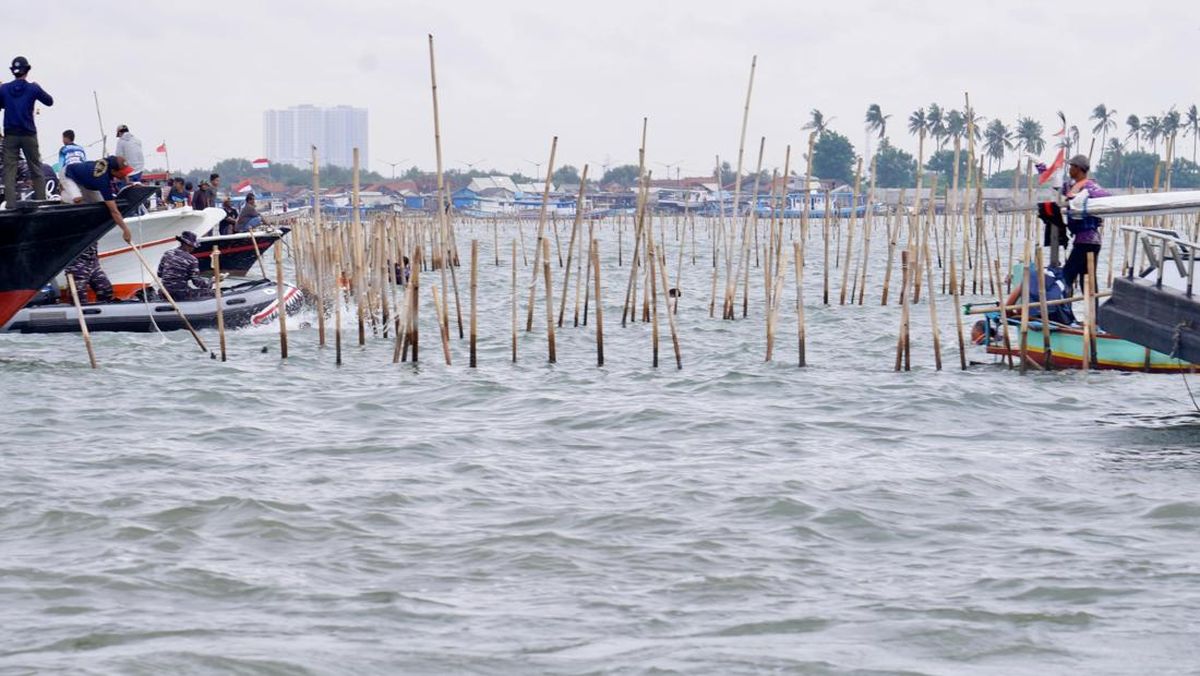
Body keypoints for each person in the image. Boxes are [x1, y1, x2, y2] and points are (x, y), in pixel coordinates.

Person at [1036, 153, 1110, 295]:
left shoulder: (1090, 186)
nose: (1069, 170)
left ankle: (1063, 308)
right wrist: (1041, 166)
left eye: (1071, 167)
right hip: (1082, 240)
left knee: (1069, 275)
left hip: (1088, 240)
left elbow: (1105, 196)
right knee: (1085, 279)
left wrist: (1085, 196)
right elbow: (1055, 184)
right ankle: (1090, 313)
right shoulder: (1072, 186)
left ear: (1078, 168)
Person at [0, 56, 53, 207]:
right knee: (35, 168)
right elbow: (49, 101)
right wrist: (37, 88)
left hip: (10, 135)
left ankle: (10, 205)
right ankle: (41, 203)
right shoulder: (33, 88)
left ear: (13, 71)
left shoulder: (3, 89)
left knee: (9, 171)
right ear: (27, 70)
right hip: (28, 134)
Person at [61, 155, 135, 243]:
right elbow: (114, 211)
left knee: (100, 203)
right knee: (78, 199)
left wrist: (127, 181)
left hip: (86, 180)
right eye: (122, 173)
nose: (124, 175)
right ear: (113, 171)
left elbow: (121, 172)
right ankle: (65, 197)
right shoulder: (102, 181)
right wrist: (125, 230)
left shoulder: (111, 162)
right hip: (68, 174)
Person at [157, 231, 212, 300]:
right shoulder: (192, 260)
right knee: (211, 293)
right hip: (180, 293)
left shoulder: (167, 254)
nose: (193, 249)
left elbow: (159, 274)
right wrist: (211, 282)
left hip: (165, 292)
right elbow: (197, 282)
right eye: (193, 246)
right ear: (188, 245)